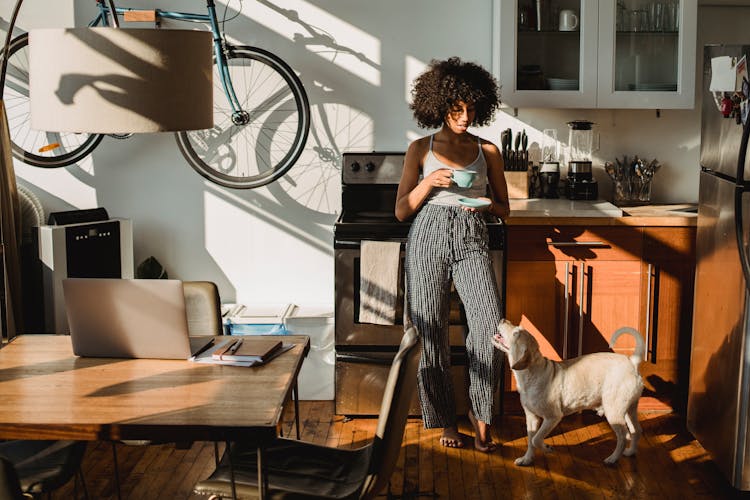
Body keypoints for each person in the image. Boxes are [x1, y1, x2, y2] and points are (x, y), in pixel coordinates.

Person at [395, 57, 509, 452]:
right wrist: (429, 182)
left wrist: (482, 204)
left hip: (472, 237)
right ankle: (445, 421)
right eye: (457, 109)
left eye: (471, 109)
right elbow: (401, 210)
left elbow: (504, 208)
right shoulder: (419, 149)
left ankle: (482, 424)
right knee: (431, 333)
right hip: (427, 234)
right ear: (440, 107)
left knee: (489, 326)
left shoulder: (487, 150)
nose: (465, 116)